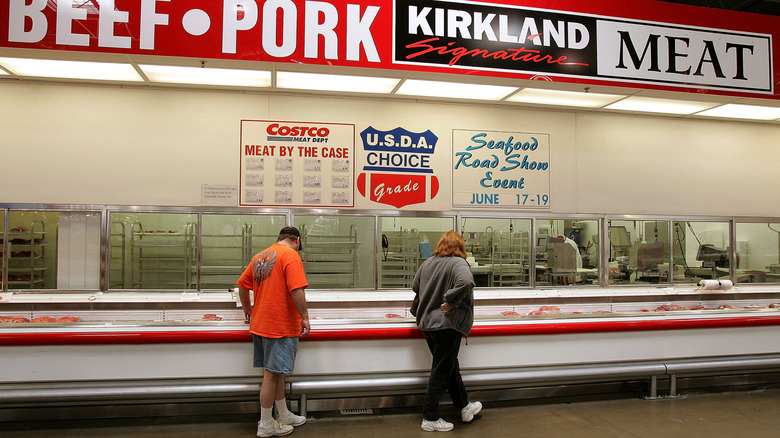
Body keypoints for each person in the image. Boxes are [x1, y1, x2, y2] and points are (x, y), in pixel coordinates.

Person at [237, 226, 311, 438]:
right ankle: (266, 424)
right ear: (296, 240)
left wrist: (248, 309)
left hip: (261, 323)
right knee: (271, 374)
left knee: (277, 372)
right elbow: (297, 290)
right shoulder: (291, 255)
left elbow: (243, 286)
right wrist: (304, 317)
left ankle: (284, 414)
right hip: (279, 325)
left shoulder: (261, 255)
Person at [411, 231, 482, 432]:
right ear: (460, 247)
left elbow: (415, 286)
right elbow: (466, 282)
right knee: (442, 369)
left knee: (450, 366)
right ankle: (430, 417)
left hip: (427, 324)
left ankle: (464, 407)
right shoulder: (458, 263)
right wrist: (451, 300)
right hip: (446, 325)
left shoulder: (428, 263)